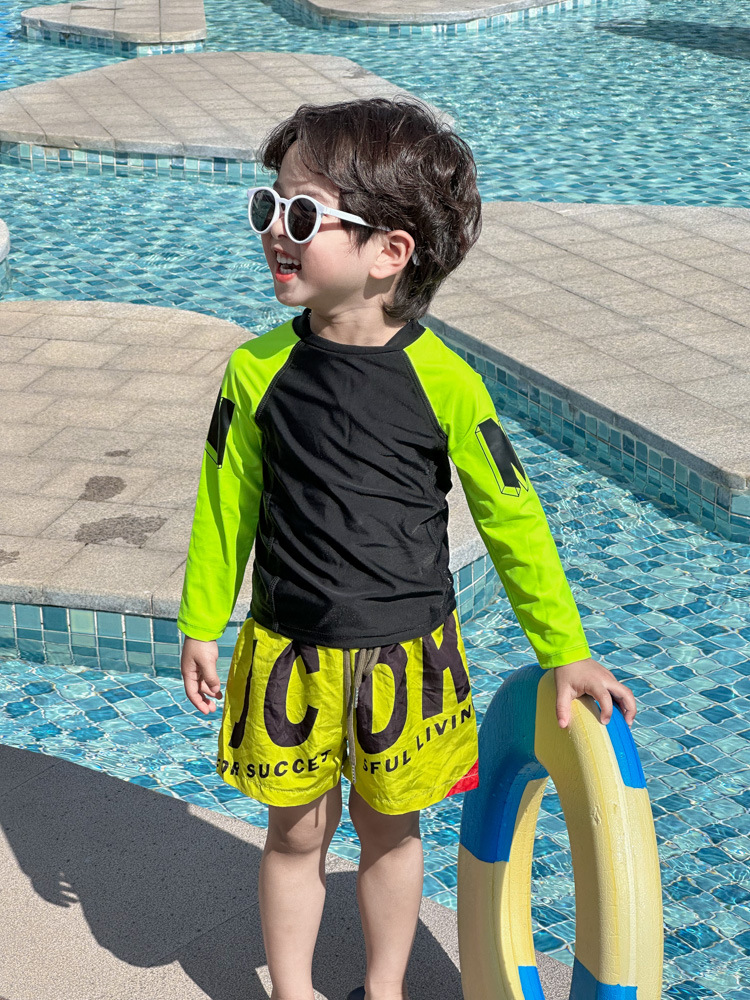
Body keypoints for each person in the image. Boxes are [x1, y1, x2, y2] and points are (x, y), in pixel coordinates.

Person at [177, 97, 637, 1000]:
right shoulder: (256, 369)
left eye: (300, 215)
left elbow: (511, 518)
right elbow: (225, 501)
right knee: (295, 834)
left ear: (390, 251)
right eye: (268, 205)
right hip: (291, 649)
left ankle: (384, 990)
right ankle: (295, 991)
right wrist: (202, 619)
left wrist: (565, 649)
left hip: (407, 656)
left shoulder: (448, 382)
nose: (273, 229)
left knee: (390, 833)